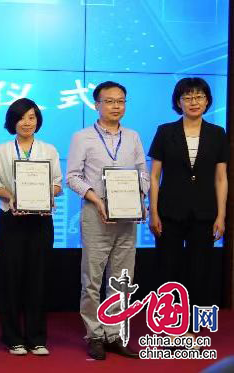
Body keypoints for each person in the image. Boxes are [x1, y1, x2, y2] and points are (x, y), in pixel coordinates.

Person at [66, 81, 149, 360]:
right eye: (110, 101)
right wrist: (97, 199)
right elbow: (73, 177)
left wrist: (140, 197)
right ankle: (94, 334)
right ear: (97, 104)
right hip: (96, 213)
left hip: (127, 216)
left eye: (121, 101)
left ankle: (114, 334)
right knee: (92, 278)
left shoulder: (133, 136)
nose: (116, 106)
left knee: (122, 278)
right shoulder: (82, 137)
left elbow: (143, 172)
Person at [148, 78, 227, 343]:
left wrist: (221, 215)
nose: (194, 102)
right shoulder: (165, 131)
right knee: (167, 268)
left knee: (200, 269)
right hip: (169, 211)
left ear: (207, 101)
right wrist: (153, 212)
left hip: (204, 212)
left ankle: (193, 326)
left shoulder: (217, 133)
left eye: (199, 97)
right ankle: (167, 324)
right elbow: (154, 176)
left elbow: (221, 178)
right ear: (178, 102)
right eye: (188, 97)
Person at [0, 98, 61, 356]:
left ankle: (37, 338)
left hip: (41, 221)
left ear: (38, 120)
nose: (27, 122)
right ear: (12, 121)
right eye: (21, 118)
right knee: (10, 279)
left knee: (38, 279)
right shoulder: (2, 150)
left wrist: (46, 195)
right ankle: (12, 338)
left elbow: (57, 184)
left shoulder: (49, 150)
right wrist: (14, 198)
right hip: (12, 219)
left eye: (32, 117)